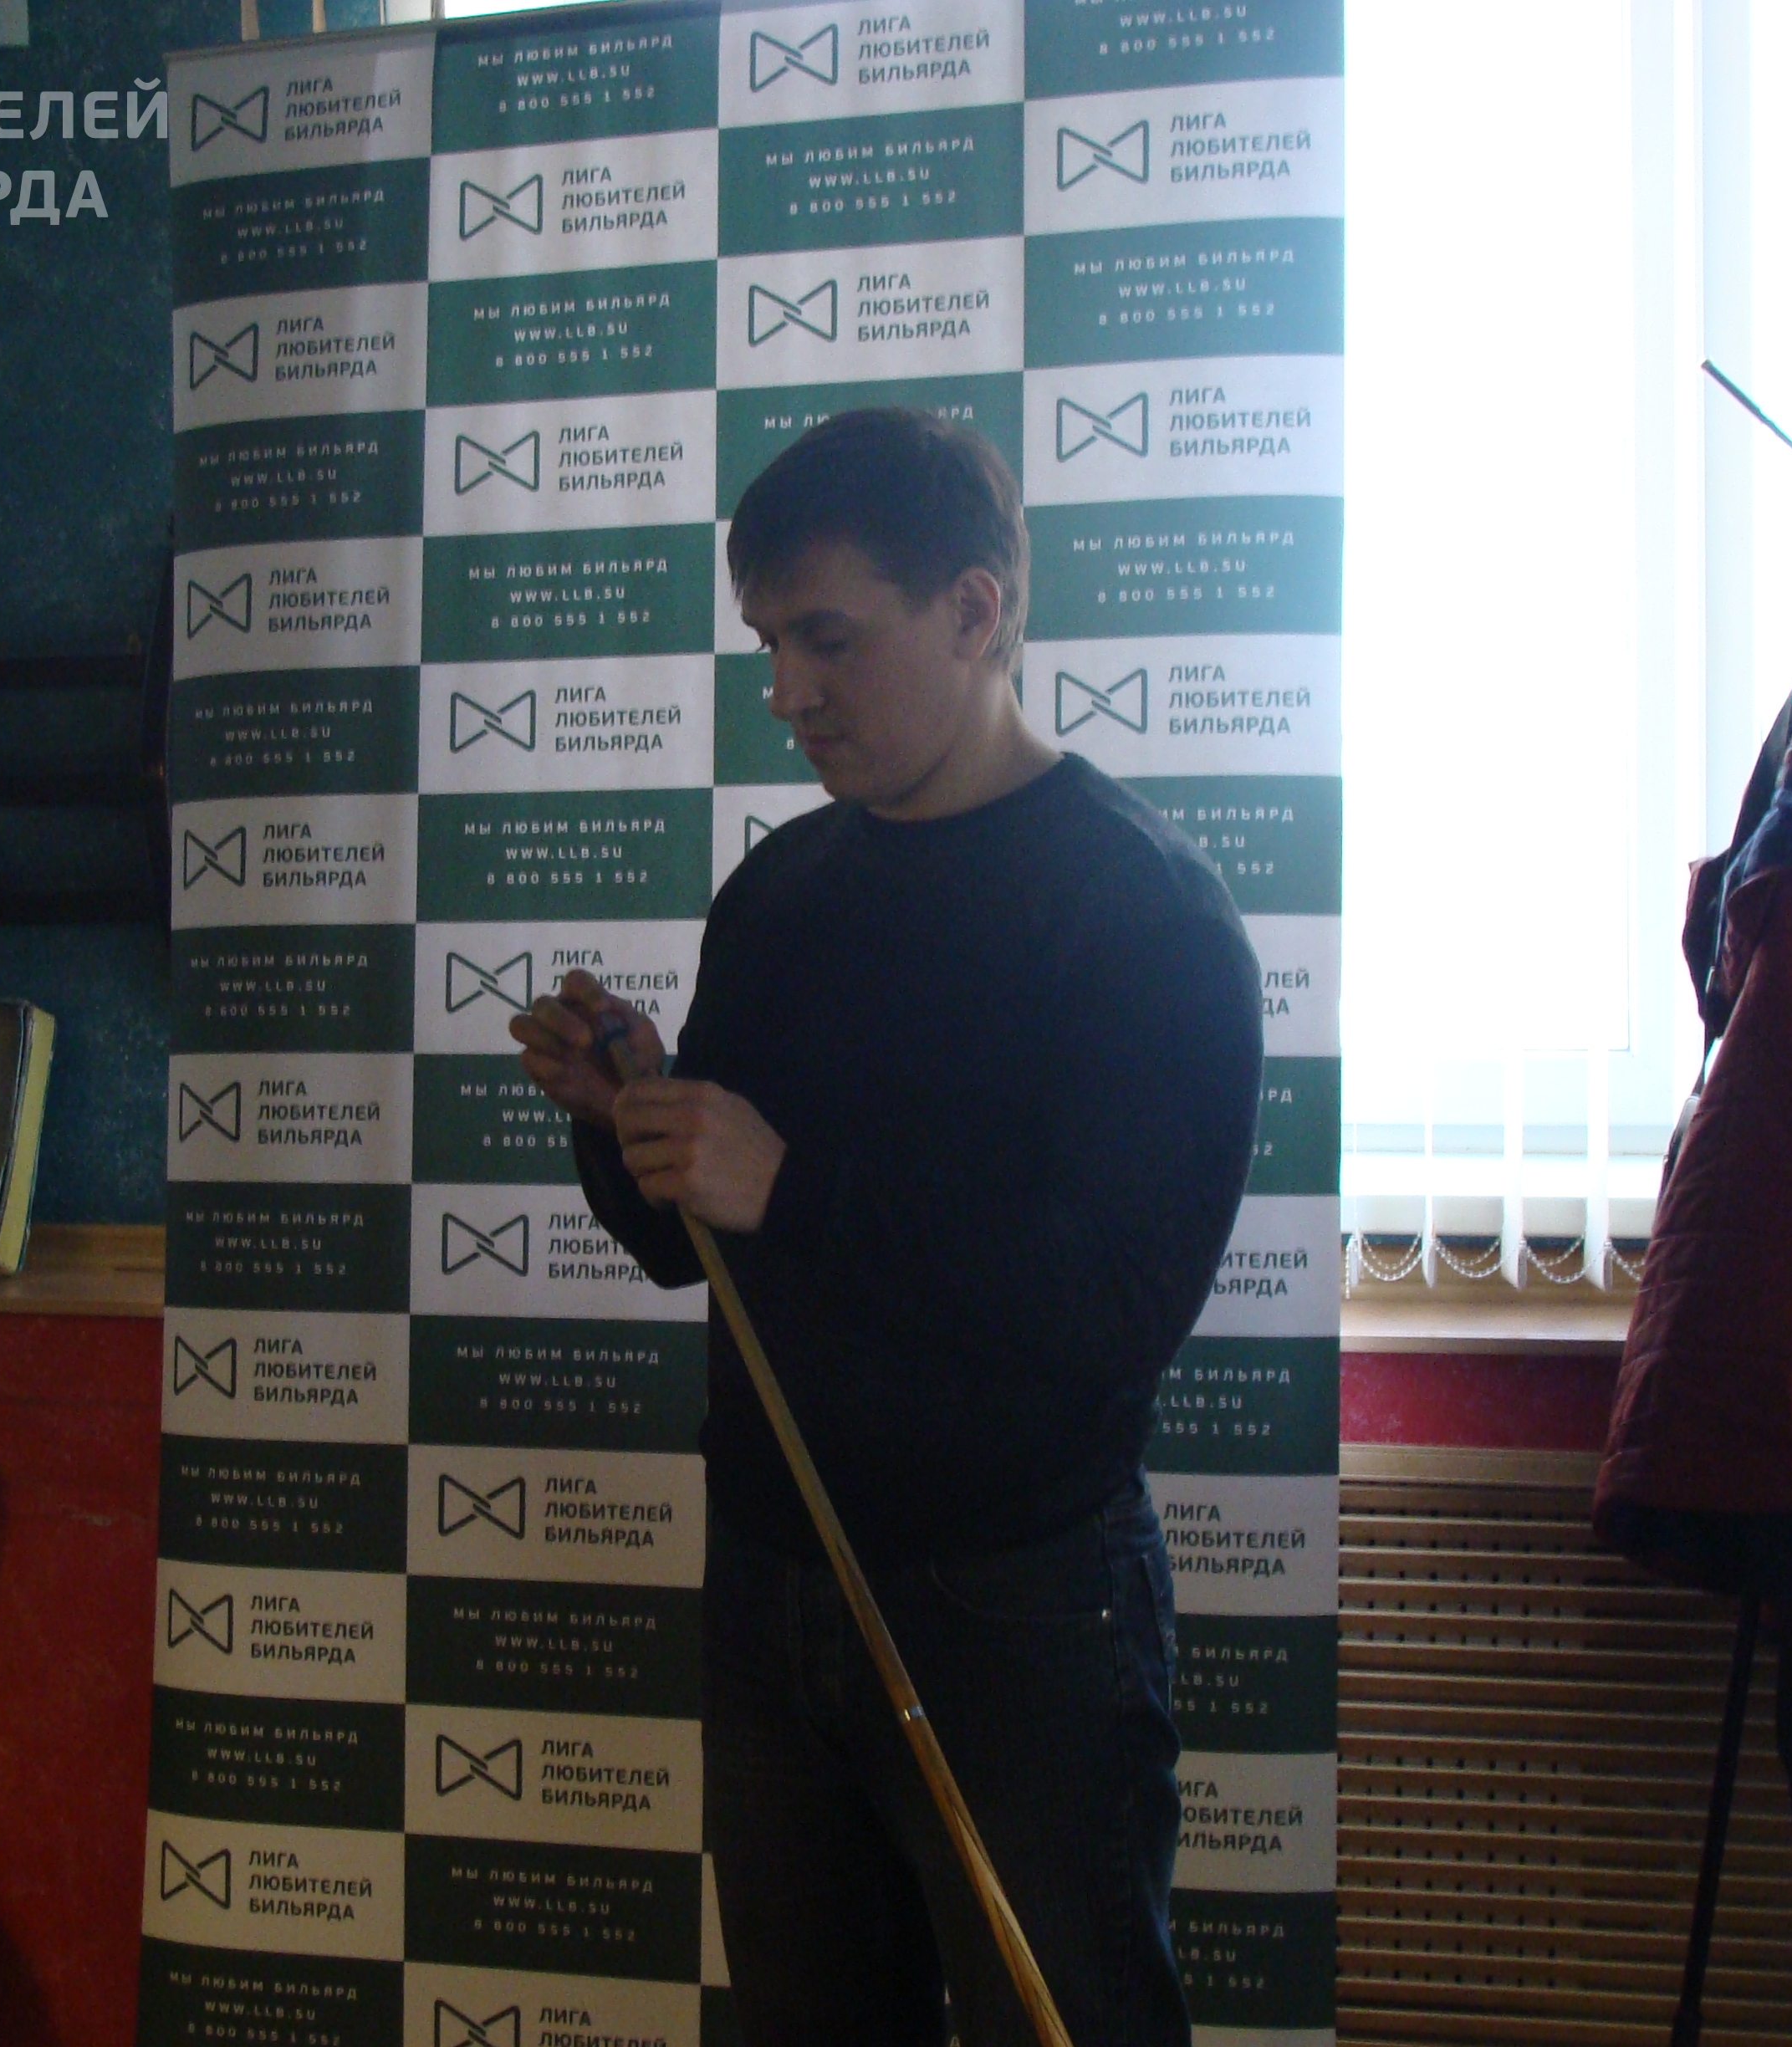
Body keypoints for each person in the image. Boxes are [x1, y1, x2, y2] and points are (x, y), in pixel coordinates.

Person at [509, 408, 1263, 2047]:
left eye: (830, 639)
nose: (789, 691)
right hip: (768, 1580)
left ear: (976, 611)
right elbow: (691, 1251)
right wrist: (625, 1120)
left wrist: (791, 1184)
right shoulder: (780, 894)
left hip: (1021, 1605)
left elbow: (1113, 1311)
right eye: (771, 645)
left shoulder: (1144, 911)